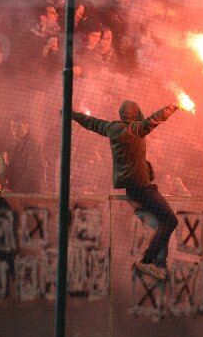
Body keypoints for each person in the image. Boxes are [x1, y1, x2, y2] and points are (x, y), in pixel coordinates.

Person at [71, 99, 181, 280]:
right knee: (170, 220)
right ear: (136, 114)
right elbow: (155, 118)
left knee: (159, 220)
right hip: (142, 188)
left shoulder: (111, 128)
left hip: (129, 188)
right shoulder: (137, 129)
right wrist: (172, 107)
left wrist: (71, 114)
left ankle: (151, 260)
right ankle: (147, 261)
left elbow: (90, 122)